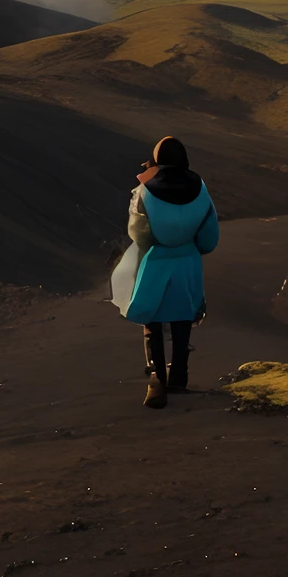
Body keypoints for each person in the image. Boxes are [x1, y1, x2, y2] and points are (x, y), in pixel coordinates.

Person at [120, 135, 218, 409]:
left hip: (156, 260)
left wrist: (154, 246)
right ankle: (179, 378)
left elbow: (137, 231)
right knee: (183, 317)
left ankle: (157, 376)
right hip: (187, 260)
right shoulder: (199, 186)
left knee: (152, 319)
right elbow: (209, 229)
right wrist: (196, 247)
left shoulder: (144, 190)